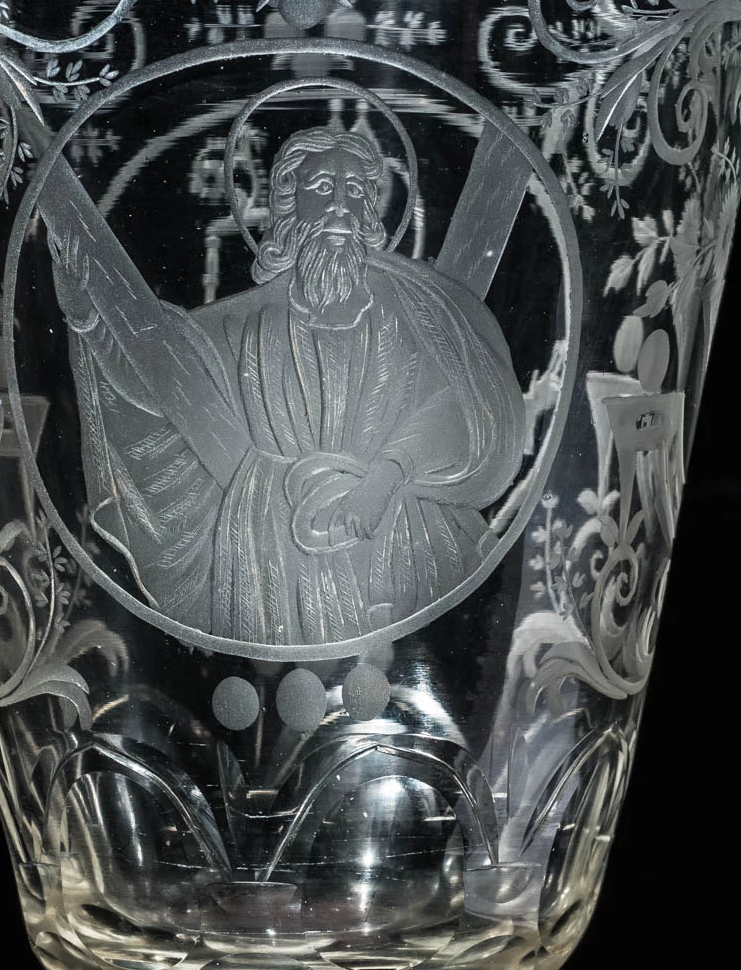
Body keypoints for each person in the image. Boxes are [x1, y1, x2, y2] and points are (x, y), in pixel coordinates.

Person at [44, 124, 525, 648]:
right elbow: (158, 381)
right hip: (268, 564)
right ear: (289, 208)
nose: (340, 206)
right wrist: (91, 321)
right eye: (322, 188)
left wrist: (385, 477)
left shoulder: (415, 309)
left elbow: (467, 404)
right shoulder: (241, 324)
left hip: (405, 552)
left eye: (355, 191)